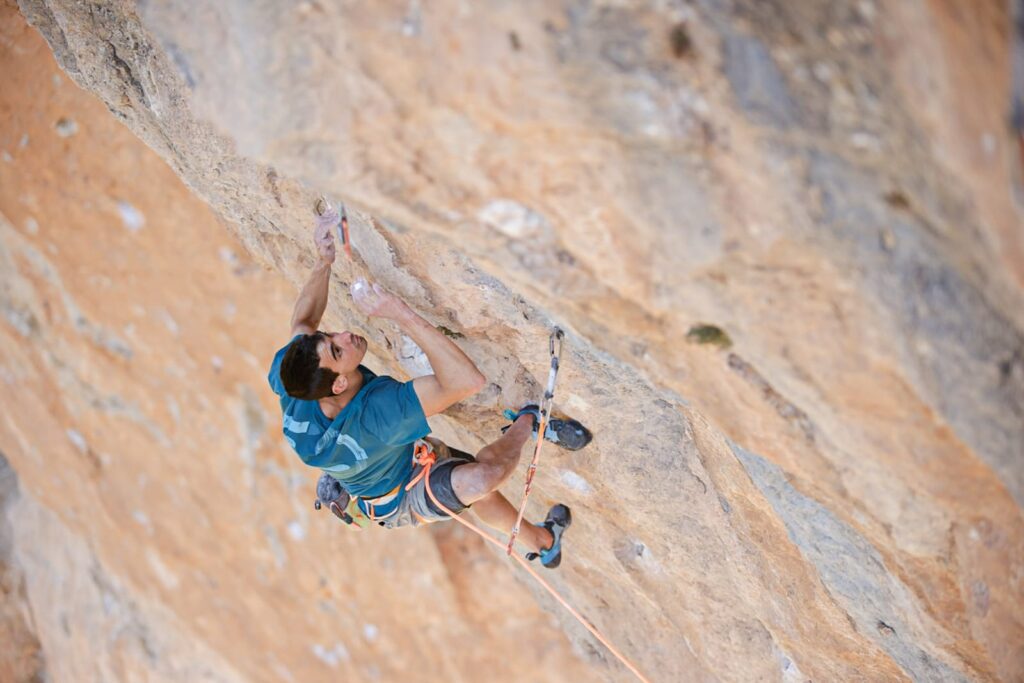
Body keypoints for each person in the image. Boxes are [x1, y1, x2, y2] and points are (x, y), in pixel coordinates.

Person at [267, 205, 571, 566]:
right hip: (398, 497)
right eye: (337, 349)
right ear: (339, 385)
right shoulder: (375, 418)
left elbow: (303, 322)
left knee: (468, 488)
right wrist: (396, 311)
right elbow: (465, 381)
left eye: (332, 336)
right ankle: (529, 424)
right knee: (479, 480)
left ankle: (545, 543)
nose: (345, 335)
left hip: (378, 459)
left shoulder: (293, 378)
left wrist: (324, 260)